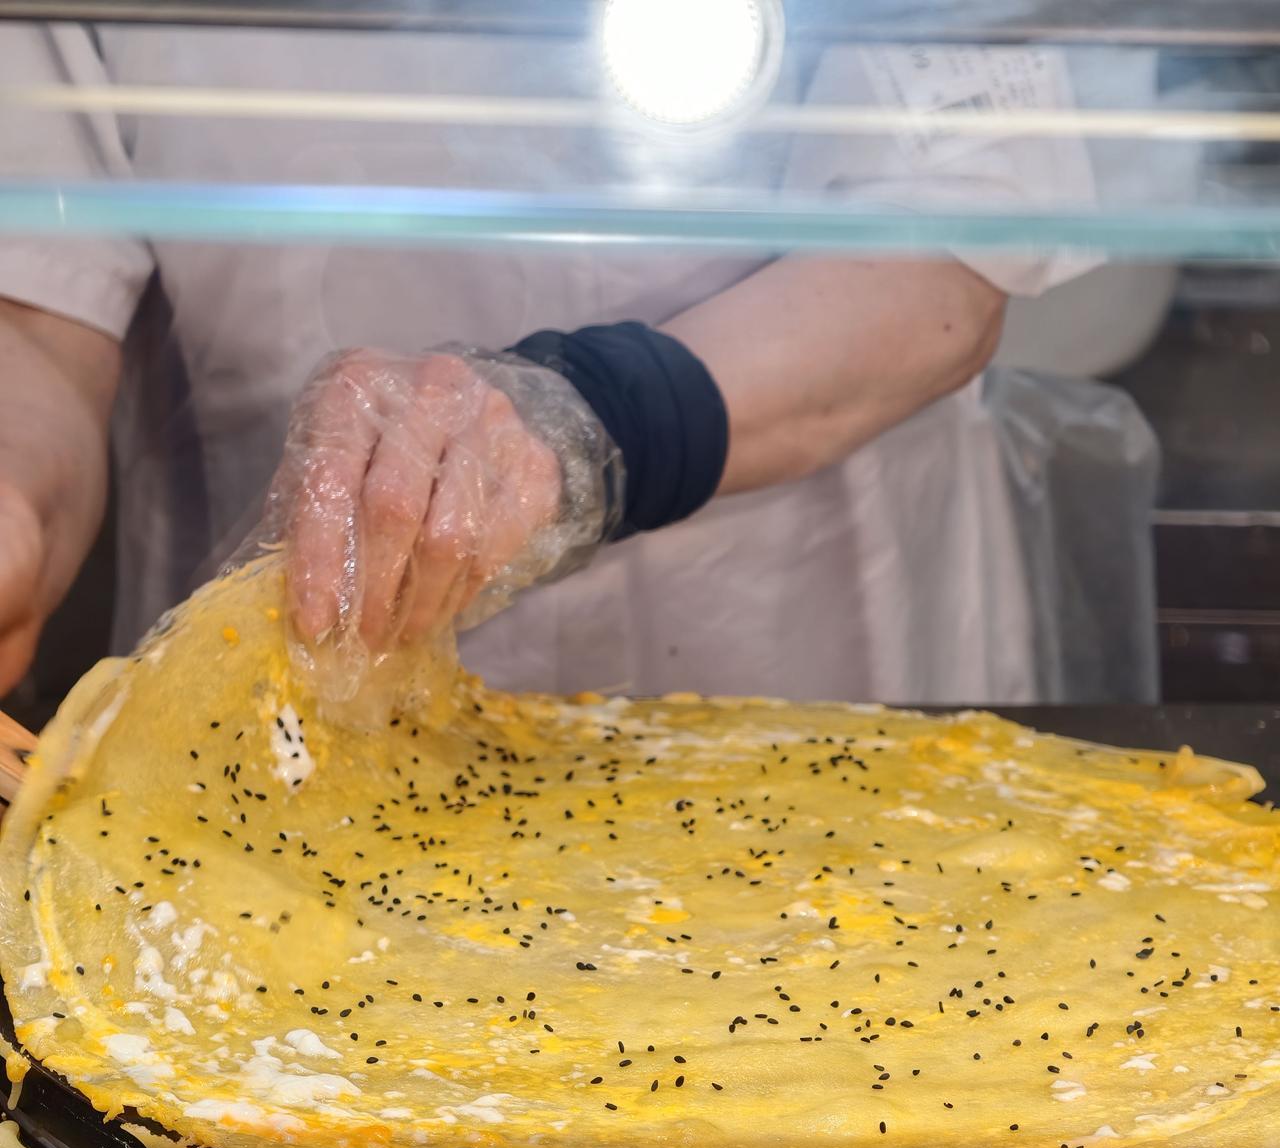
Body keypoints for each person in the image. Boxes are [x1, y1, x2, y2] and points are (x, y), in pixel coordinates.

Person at [0, 23, 1100, 706]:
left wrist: (585, 419)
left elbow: (945, 269)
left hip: (803, 668)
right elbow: (38, 312)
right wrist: (15, 498)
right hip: (281, 725)